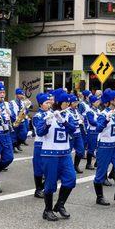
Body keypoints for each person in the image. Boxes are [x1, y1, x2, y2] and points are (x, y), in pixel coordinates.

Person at [37, 91, 77, 221]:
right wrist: (47, 123)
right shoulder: (43, 115)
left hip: (65, 153)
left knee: (71, 179)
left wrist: (63, 121)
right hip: (50, 153)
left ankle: (60, 205)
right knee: (50, 183)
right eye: (66, 102)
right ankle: (47, 210)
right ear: (60, 102)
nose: (68, 104)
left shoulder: (68, 114)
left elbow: (73, 129)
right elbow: (39, 132)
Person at [93, 89, 115, 206]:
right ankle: (99, 197)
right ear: (110, 101)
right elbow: (98, 128)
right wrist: (106, 119)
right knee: (101, 173)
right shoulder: (103, 114)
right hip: (104, 146)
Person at [32, 92, 53, 199]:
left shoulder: (52, 113)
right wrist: (47, 122)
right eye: (46, 103)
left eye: (49, 102)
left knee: (51, 168)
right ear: (41, 104)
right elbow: (40, 131)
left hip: (51, 143)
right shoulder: (38, 116)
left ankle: (45, 186)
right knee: (39, 167)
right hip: (40, 144)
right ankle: (38, 189)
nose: (49, 105)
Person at [68, 95, 85, 174]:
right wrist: (77, 122)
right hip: (71, 133)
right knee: (68, 152)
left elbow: (81, 118)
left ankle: (76, 165)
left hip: (78, 133)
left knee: (81, 150)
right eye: (74, 102)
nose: (76, 104)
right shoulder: (67, 111)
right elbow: (68, 122)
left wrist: (82, 119)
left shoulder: (76, 110)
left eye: (76, 102)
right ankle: (68, 168)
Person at [9, 88, 30, 152]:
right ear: (16, 95)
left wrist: (27, 107)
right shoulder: (12, 102)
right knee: (14, 135)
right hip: (15, 120)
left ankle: (18, 144)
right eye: (20, 94)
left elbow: (26, 111)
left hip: (22, 120)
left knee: (24, 134)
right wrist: (15, 119)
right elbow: (11, 111)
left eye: (22, 94)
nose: (22, 96)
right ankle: (13, 146)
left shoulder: (23, 103)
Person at [84, 94, 100, 170]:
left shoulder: (98, 110)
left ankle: (97, 162)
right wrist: (100, 123)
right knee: (91, 148)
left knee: (99, 147)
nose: (98, 102)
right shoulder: (89, 111)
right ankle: (88, 163)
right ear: (93, 102)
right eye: (97, 101)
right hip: (92, 131)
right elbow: (91, 121)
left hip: (98, 131)